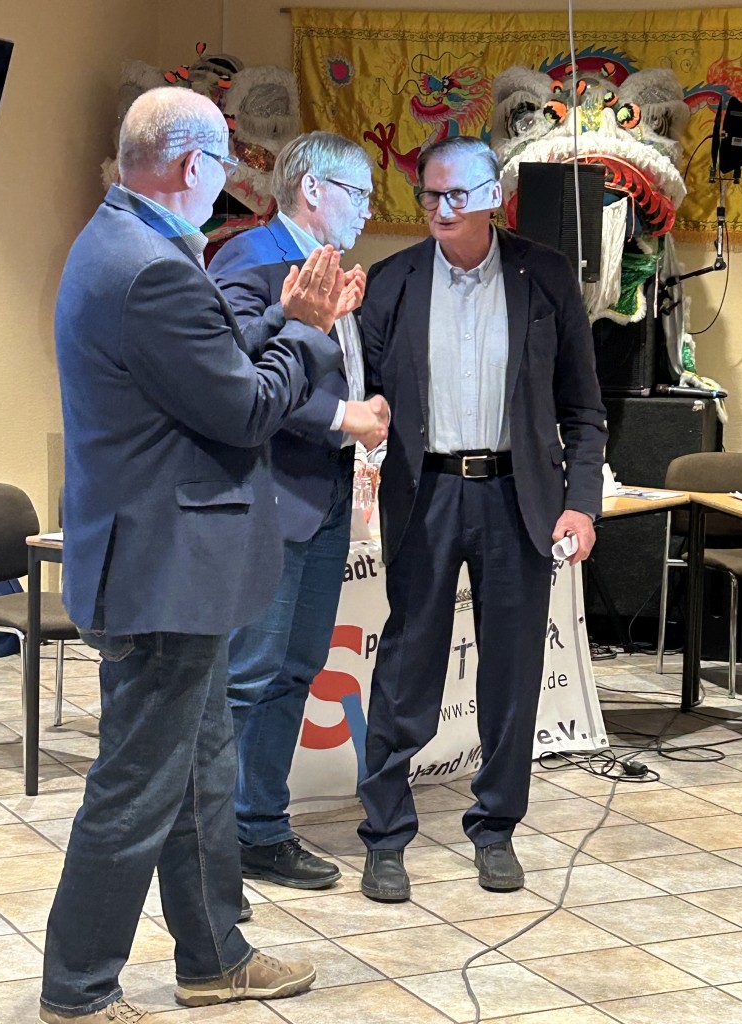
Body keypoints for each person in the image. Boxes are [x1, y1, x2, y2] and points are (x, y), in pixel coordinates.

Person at [40, 88, 349, 1024]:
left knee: (201, 774)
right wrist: (308, 330)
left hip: (174, 566)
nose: (227, 182)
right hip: (163, 569)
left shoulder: (122, 239)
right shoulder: (153, 267)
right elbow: (244, 408)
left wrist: (277, 319)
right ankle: (78, 991)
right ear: (190, 166)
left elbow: (206, 363)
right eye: (223, 165)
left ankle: (215, 957)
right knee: (137, 787)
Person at [356, 136, 607, 902]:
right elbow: (363, 394)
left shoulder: (545, 276)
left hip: (516, 497)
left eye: (457, 194)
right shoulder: (392, 281)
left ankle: (495, 829)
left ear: (493, 196)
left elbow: (583, 408)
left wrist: (581, 501)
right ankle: (385, 836)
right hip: (425, 493)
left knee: (511, 673)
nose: (441, 207)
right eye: (430, 194)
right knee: (407, 668)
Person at [209, 131, 387, 891]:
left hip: (324, 498)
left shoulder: (330, 268)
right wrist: (345, 418)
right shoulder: (249, 260)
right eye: (360, 194)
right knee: (247, 678)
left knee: (295, 671)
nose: (370, 210)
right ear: (313, 189)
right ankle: (210, 842)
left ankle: (259, 829)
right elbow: (236, 380)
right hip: (267, 500)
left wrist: (367, 423)